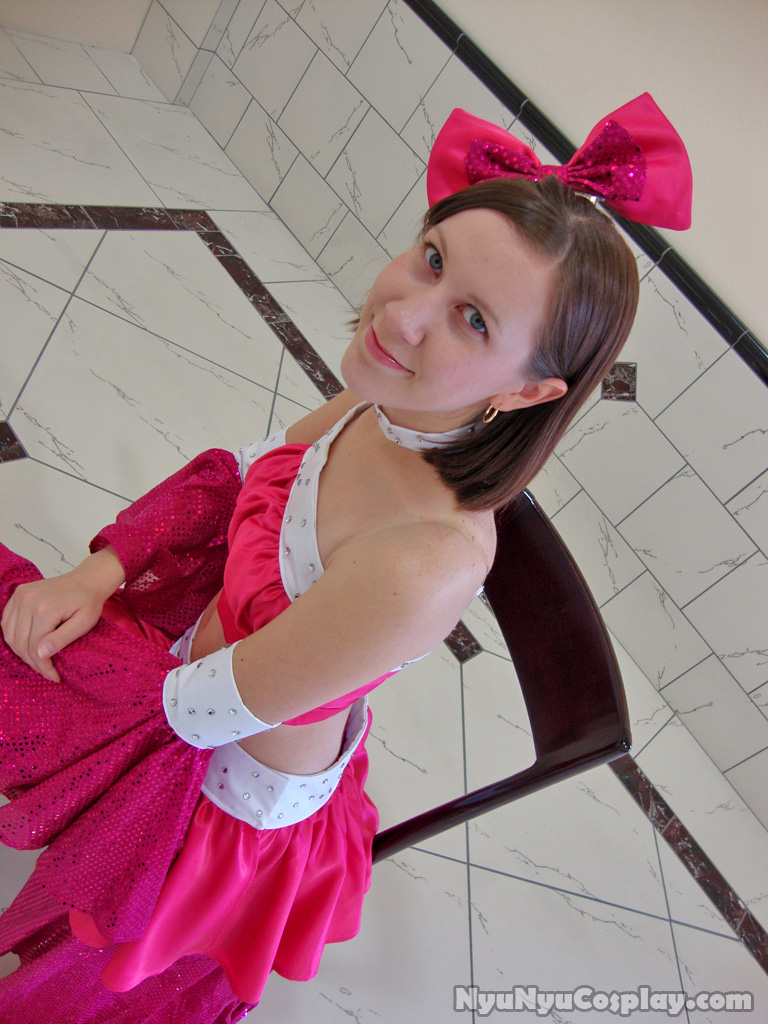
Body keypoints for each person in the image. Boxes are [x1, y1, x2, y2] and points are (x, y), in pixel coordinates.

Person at [0, 95, 691, 1022]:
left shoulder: (428, 557)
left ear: (530, 391)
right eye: (432, 259)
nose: (402, 316)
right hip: (192, 681)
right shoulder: (384, 406)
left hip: (210, 779)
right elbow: (240, 481)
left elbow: (206, 710)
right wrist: (99, 573)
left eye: (472, 320)